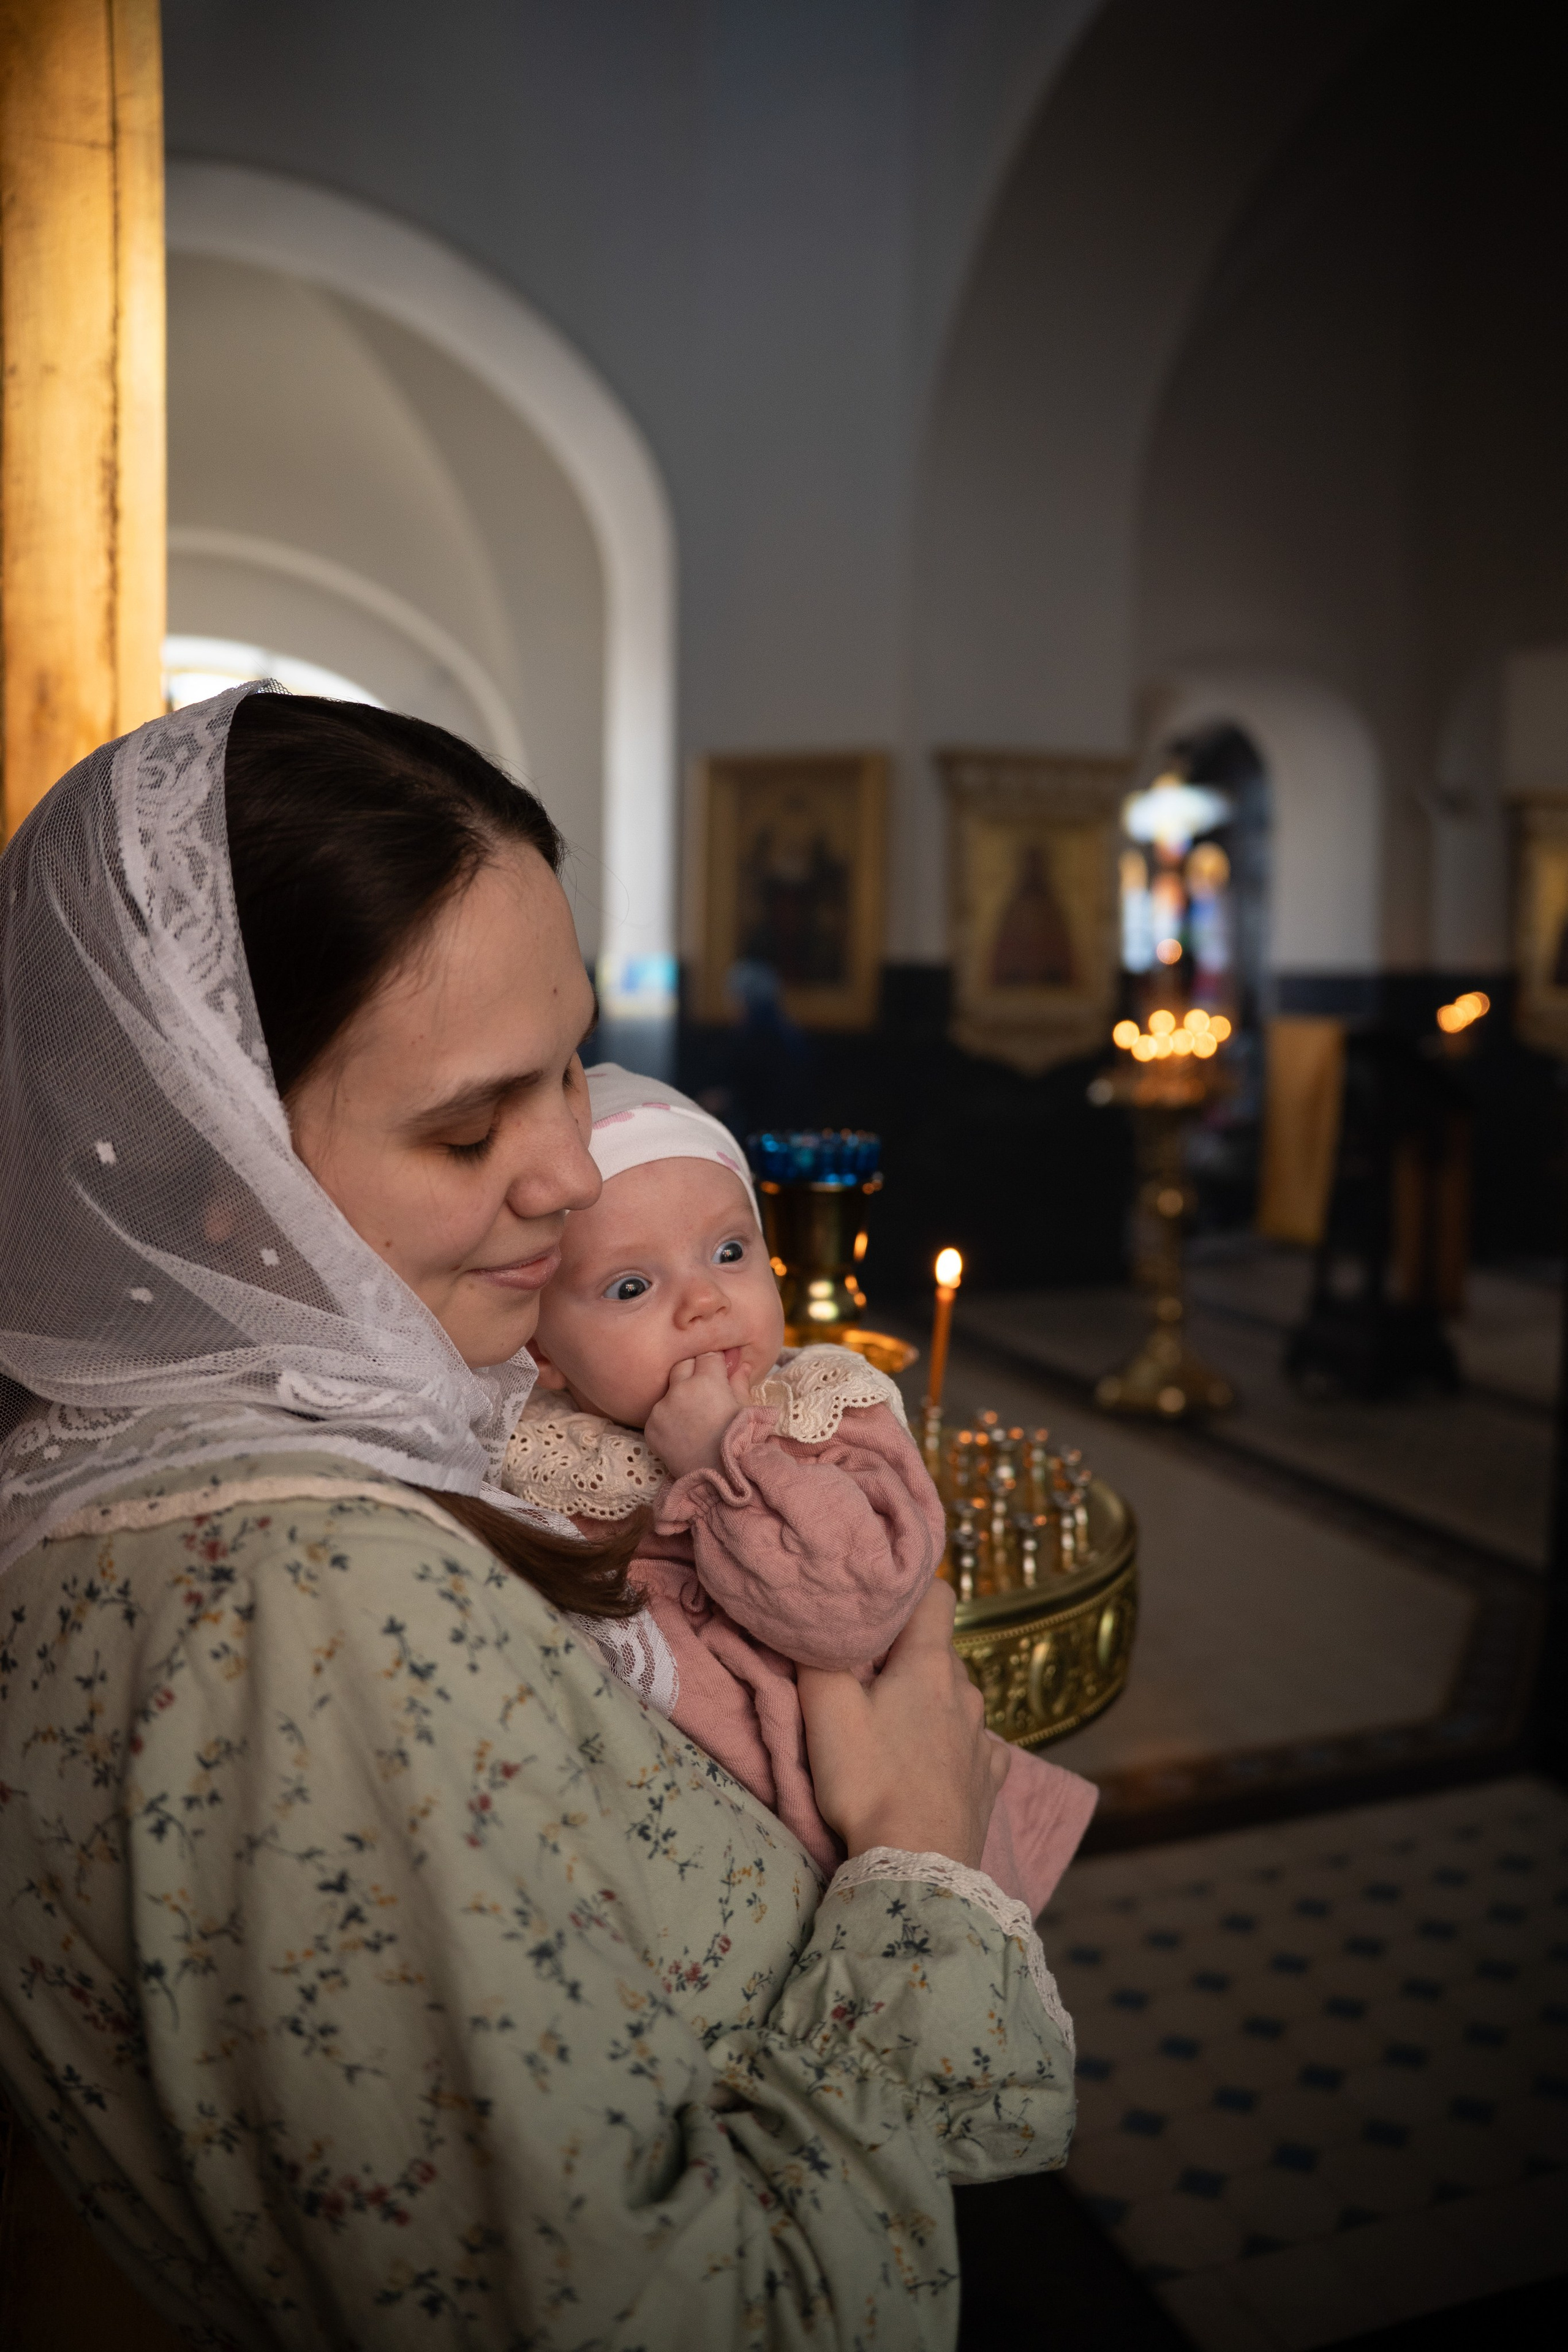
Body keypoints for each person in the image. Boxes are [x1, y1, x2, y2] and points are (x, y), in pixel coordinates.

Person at [0, 687, 1076, 2350]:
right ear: (213, 1159)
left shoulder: (297, 1443)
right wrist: (923, 1862)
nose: (573, 1172)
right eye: (466, 1126)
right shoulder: (313, 1614)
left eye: (569, 1065)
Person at [513, 1064, 1098, 1909]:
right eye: (631, 1286)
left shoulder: (825, 1412)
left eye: (729, 1251)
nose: (707, 1302)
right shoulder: (540, 1454)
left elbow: (853, 1608)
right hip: (697, 1864)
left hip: (871, 1820)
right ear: (541, 1354)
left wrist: (721, 1452)